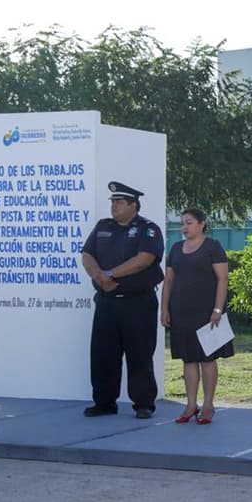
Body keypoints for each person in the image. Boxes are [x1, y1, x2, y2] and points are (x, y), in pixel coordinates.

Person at [80, 182, 164, 418]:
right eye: (112, 202)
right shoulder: (103, 227)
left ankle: (144, 404)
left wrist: (109, 274)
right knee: (103, 355)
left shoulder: (148, 229)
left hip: (137, 303)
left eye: (119, 202)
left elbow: (144, 260)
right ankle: (105, 403)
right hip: (107, 302)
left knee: (139, 354)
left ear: (133, 206)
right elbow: (87, 254)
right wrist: (98, 276)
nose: (114, 206)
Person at [160, 208, 231, 425]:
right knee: (188, 359)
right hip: (181, 312)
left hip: (207, 313)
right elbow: (169, 281)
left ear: (201, 224)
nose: (184, 227)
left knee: (207, 359)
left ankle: (208, 406)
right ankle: (191, 405)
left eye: (189, 222)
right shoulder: (176, 248)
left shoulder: (213, 247)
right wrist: (164, 308)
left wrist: (217, 310)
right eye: (182, 223)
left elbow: (223, 279)